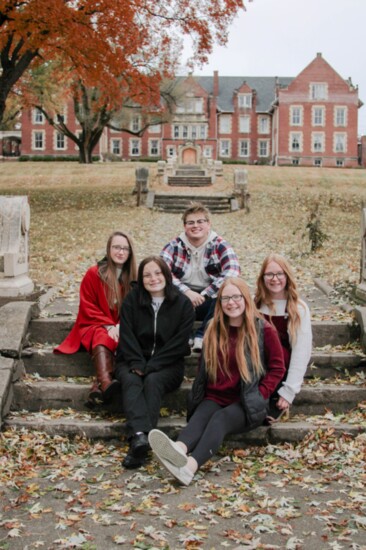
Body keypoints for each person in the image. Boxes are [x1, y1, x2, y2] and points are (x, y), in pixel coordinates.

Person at [148, 277, 285, 486]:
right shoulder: (213, 327)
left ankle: (189, 467)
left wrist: (262, 394)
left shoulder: (263, 329)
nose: (231, 302)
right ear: (219, 303)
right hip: (216, 395)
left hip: (246, 402)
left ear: (246, 299)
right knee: (203, 414)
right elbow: (205, 368)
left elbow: (278, 368)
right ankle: (178, 450)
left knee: (220, 419)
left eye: (236, 297)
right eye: (225, 298)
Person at [115, 255, 195, 470]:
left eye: (158, 273)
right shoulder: (132, 301)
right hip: (131, 359)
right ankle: (142, 438)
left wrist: (152, 366)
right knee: (131, 380)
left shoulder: (183, 304)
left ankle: (139, 439)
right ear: (141, 279)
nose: (153, 278)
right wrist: (137, 363)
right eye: (147, 275)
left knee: (153, 381)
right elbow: (127, 336)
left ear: (167, 276)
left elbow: (179, 344)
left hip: (168, 365)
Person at [54, 231, 137, 406]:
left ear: (130, 252)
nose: (120, 252)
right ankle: (106, 384)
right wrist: (108, 325)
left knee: (122, 338)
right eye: (116, 247)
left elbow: (136, 307)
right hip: (94, 323)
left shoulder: (134, 277)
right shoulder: (94, 273)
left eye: (125, 249)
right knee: (102, 335)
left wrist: (121, 325)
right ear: (109, 249)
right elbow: (87, 304)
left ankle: (99, 386)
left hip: (123, 325)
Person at [161, 202, 240, 352]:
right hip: (182, 299)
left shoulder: (220, 245)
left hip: (209, 300)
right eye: (190, 222)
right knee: (165, 292)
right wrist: (186, 292)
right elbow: (162, 271)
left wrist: (204, 294)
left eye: (200, 221)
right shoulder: (174, 245)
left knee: (226, 291)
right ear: (185, 226)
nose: (195, 226)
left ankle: (202, 335)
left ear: (208, 224)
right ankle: (183, 336)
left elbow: (232, 271)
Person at [254, 253, 312, 422]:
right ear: (262, 277)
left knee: (279, 351)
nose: (275, 279)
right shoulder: (254, 303)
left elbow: (301, 352)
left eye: (280, 274)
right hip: (256, 368)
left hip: (282, 371)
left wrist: (289, 391)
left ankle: (273, 399)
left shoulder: (298, 308)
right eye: (269, 274)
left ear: (287, 276)